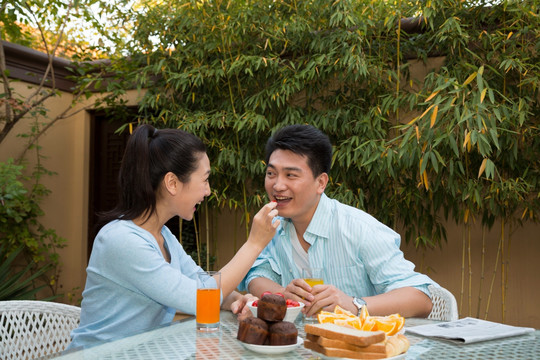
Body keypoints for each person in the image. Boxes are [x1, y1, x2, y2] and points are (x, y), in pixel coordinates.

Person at [69, 124, 280, 348]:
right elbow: (199, 299)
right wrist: (254, 244)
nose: (208, 191)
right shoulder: (121, 240)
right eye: (205, 180)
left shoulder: (163, 235)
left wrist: (235, 299)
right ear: (172, 183)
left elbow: (201, 283)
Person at [239, 124, 435, 319]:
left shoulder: (360, 229)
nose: (277, 185)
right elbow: (256, 274)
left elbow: (420, 298)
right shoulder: (272, 225)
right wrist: (282, 294)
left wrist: (354, 304)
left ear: (321, 183)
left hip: (359, 344)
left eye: (291, 175)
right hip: (298, 345)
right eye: (271, 174)